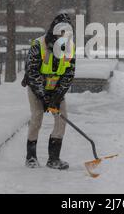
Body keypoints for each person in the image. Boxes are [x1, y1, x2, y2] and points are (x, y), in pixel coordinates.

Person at [22, 14, 76, 170]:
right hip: (36, 88)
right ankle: (31, 157)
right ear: (54, 32)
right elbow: (32, 72)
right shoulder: (38, 45)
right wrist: (43, 97)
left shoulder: (70, 48)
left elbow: (69, 74)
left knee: (62, 119)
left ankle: (53, 158)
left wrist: (56, 96)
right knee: (37, 118)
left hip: (56, 90)